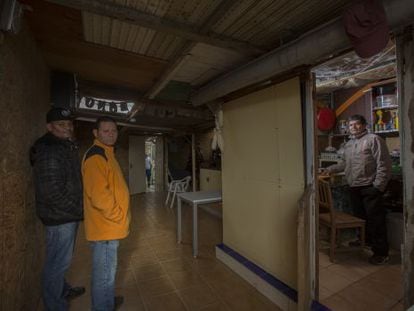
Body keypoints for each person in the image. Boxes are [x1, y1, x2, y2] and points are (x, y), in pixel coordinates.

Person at [30, 107, 85, 310]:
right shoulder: (49, 149)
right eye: (61, 125)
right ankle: (55, 305)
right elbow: (52, 192)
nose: (67, 128)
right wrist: (78, 208)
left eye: (69, 124)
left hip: (63, 215)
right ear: (49, 127)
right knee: (57, 264)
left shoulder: (61, 145)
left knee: (60, 259)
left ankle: (62, 289)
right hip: (60, 217)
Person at [322, 114, 392, 265]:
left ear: (364, 125)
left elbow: (384, 164)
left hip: (370, 187)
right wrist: (329, 169)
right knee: (361, 218)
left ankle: (381, 253)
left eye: (357, 124)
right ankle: (365, 241)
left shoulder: (373, 139)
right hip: (354, 187)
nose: (353, 127)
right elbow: (344, 164)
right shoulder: (349, 144)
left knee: (376, 221)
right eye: (351, 125)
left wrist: (378, 187)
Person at [82, 116, 130, 310]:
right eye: (106, 131)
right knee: (104, 275)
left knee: (107, 273)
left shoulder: (107, 152)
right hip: (106, 229)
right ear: (96, 133)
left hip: (107, 227)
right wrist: (118, 216)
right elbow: (100, 196)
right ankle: (103, 306)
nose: (111, 135)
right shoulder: (96, 156)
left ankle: (106, 301)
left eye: (114, 131)